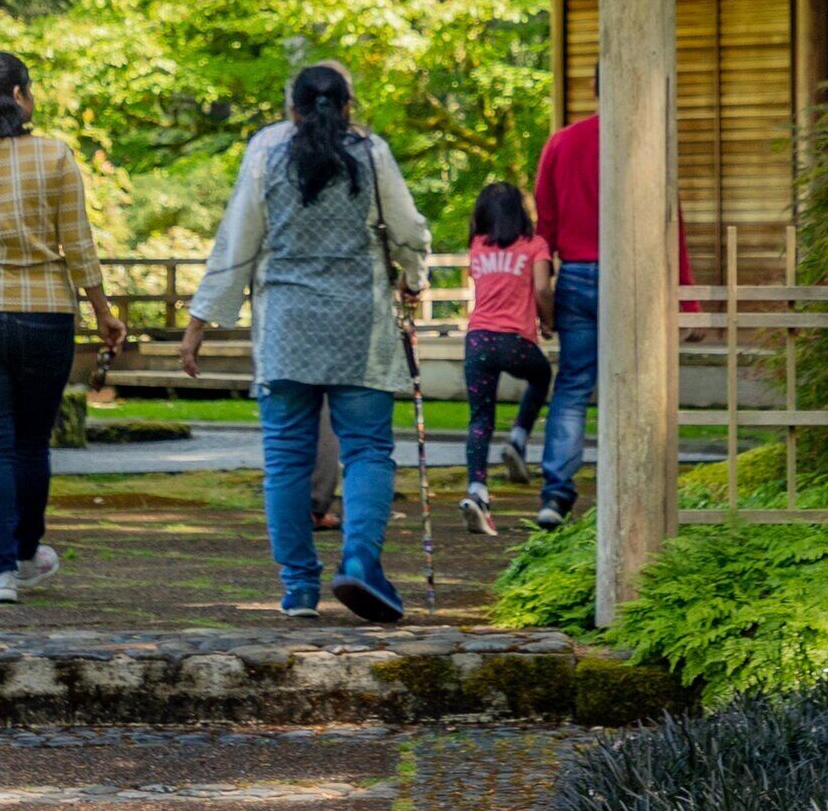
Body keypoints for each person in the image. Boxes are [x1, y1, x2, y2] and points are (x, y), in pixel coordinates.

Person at [181, 62, 432, 623]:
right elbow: (409, 231)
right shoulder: (372, 154)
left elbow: (237, 242)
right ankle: (361, 561)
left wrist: (201, 320)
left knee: (287, 463)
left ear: (292, 109)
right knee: (368, 448)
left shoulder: (266, 152)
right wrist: (413, 279)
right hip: (360, 328)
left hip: (285, 332)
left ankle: (298, 588)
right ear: (349, 106)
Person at [0, 53, 133, 605]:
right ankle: (26, 552)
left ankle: (1, 576)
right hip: (45, 313)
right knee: (32, 441)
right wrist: (103, 311)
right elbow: (79, 244)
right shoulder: (55, 156)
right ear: (19, 98)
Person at [452, 181, 554, 534]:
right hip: (514, 342)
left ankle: (477, 492)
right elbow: (542, 288)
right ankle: (519, 438)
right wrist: (549, 322)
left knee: (480, 418)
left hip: (478, 341)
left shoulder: (477, 245)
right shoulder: (535, 245)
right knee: (541, 377)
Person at [524, 110, 603, 531]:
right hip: (631, 271)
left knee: (573, 385)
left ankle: (555, 492)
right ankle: (629, 480)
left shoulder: (562, 142)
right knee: (636, 384)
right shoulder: (645, 138)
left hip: (576, 273)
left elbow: (546, 223)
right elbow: (671, 217)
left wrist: (543, 291)